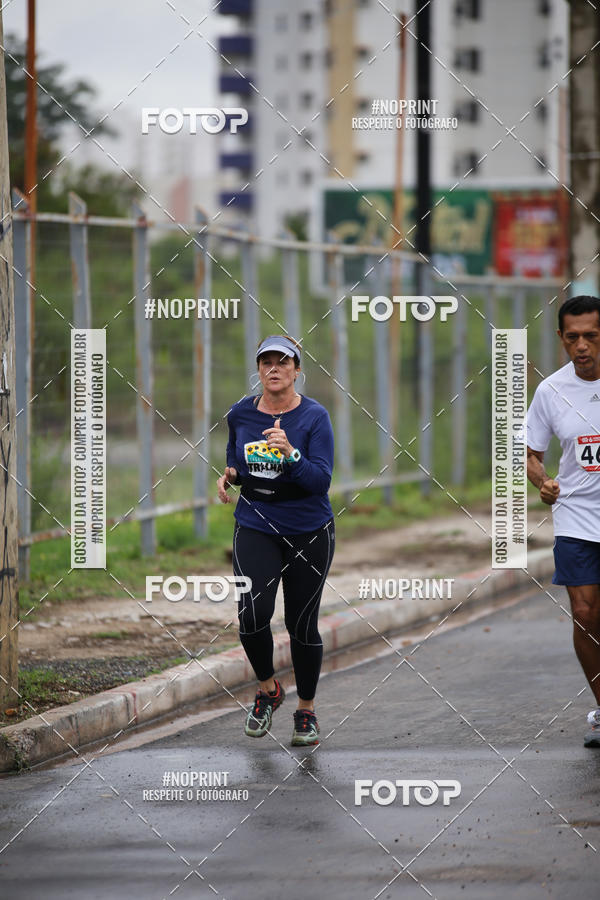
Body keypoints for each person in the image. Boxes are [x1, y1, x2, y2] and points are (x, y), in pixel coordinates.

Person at [217, 335, 335, 746]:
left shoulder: (315, 418)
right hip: (256, 524)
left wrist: (291, 455)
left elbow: (321, 480)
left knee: (300, 623)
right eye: (266, 361)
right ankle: (268, 690)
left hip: (308, 528)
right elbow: (236, 457)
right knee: (251, 614)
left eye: (282, 362)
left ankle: (306, 712)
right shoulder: (240, 414)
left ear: (297, 370)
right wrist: (230, 474)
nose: (273, 368)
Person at [526, 295, 600, 747]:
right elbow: (531, 452)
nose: (582, 346)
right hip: (575, 515)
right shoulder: (550, 391)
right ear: (560, 339)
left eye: (591, 336)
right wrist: (544, 481)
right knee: (585, 613)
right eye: (572, 338)